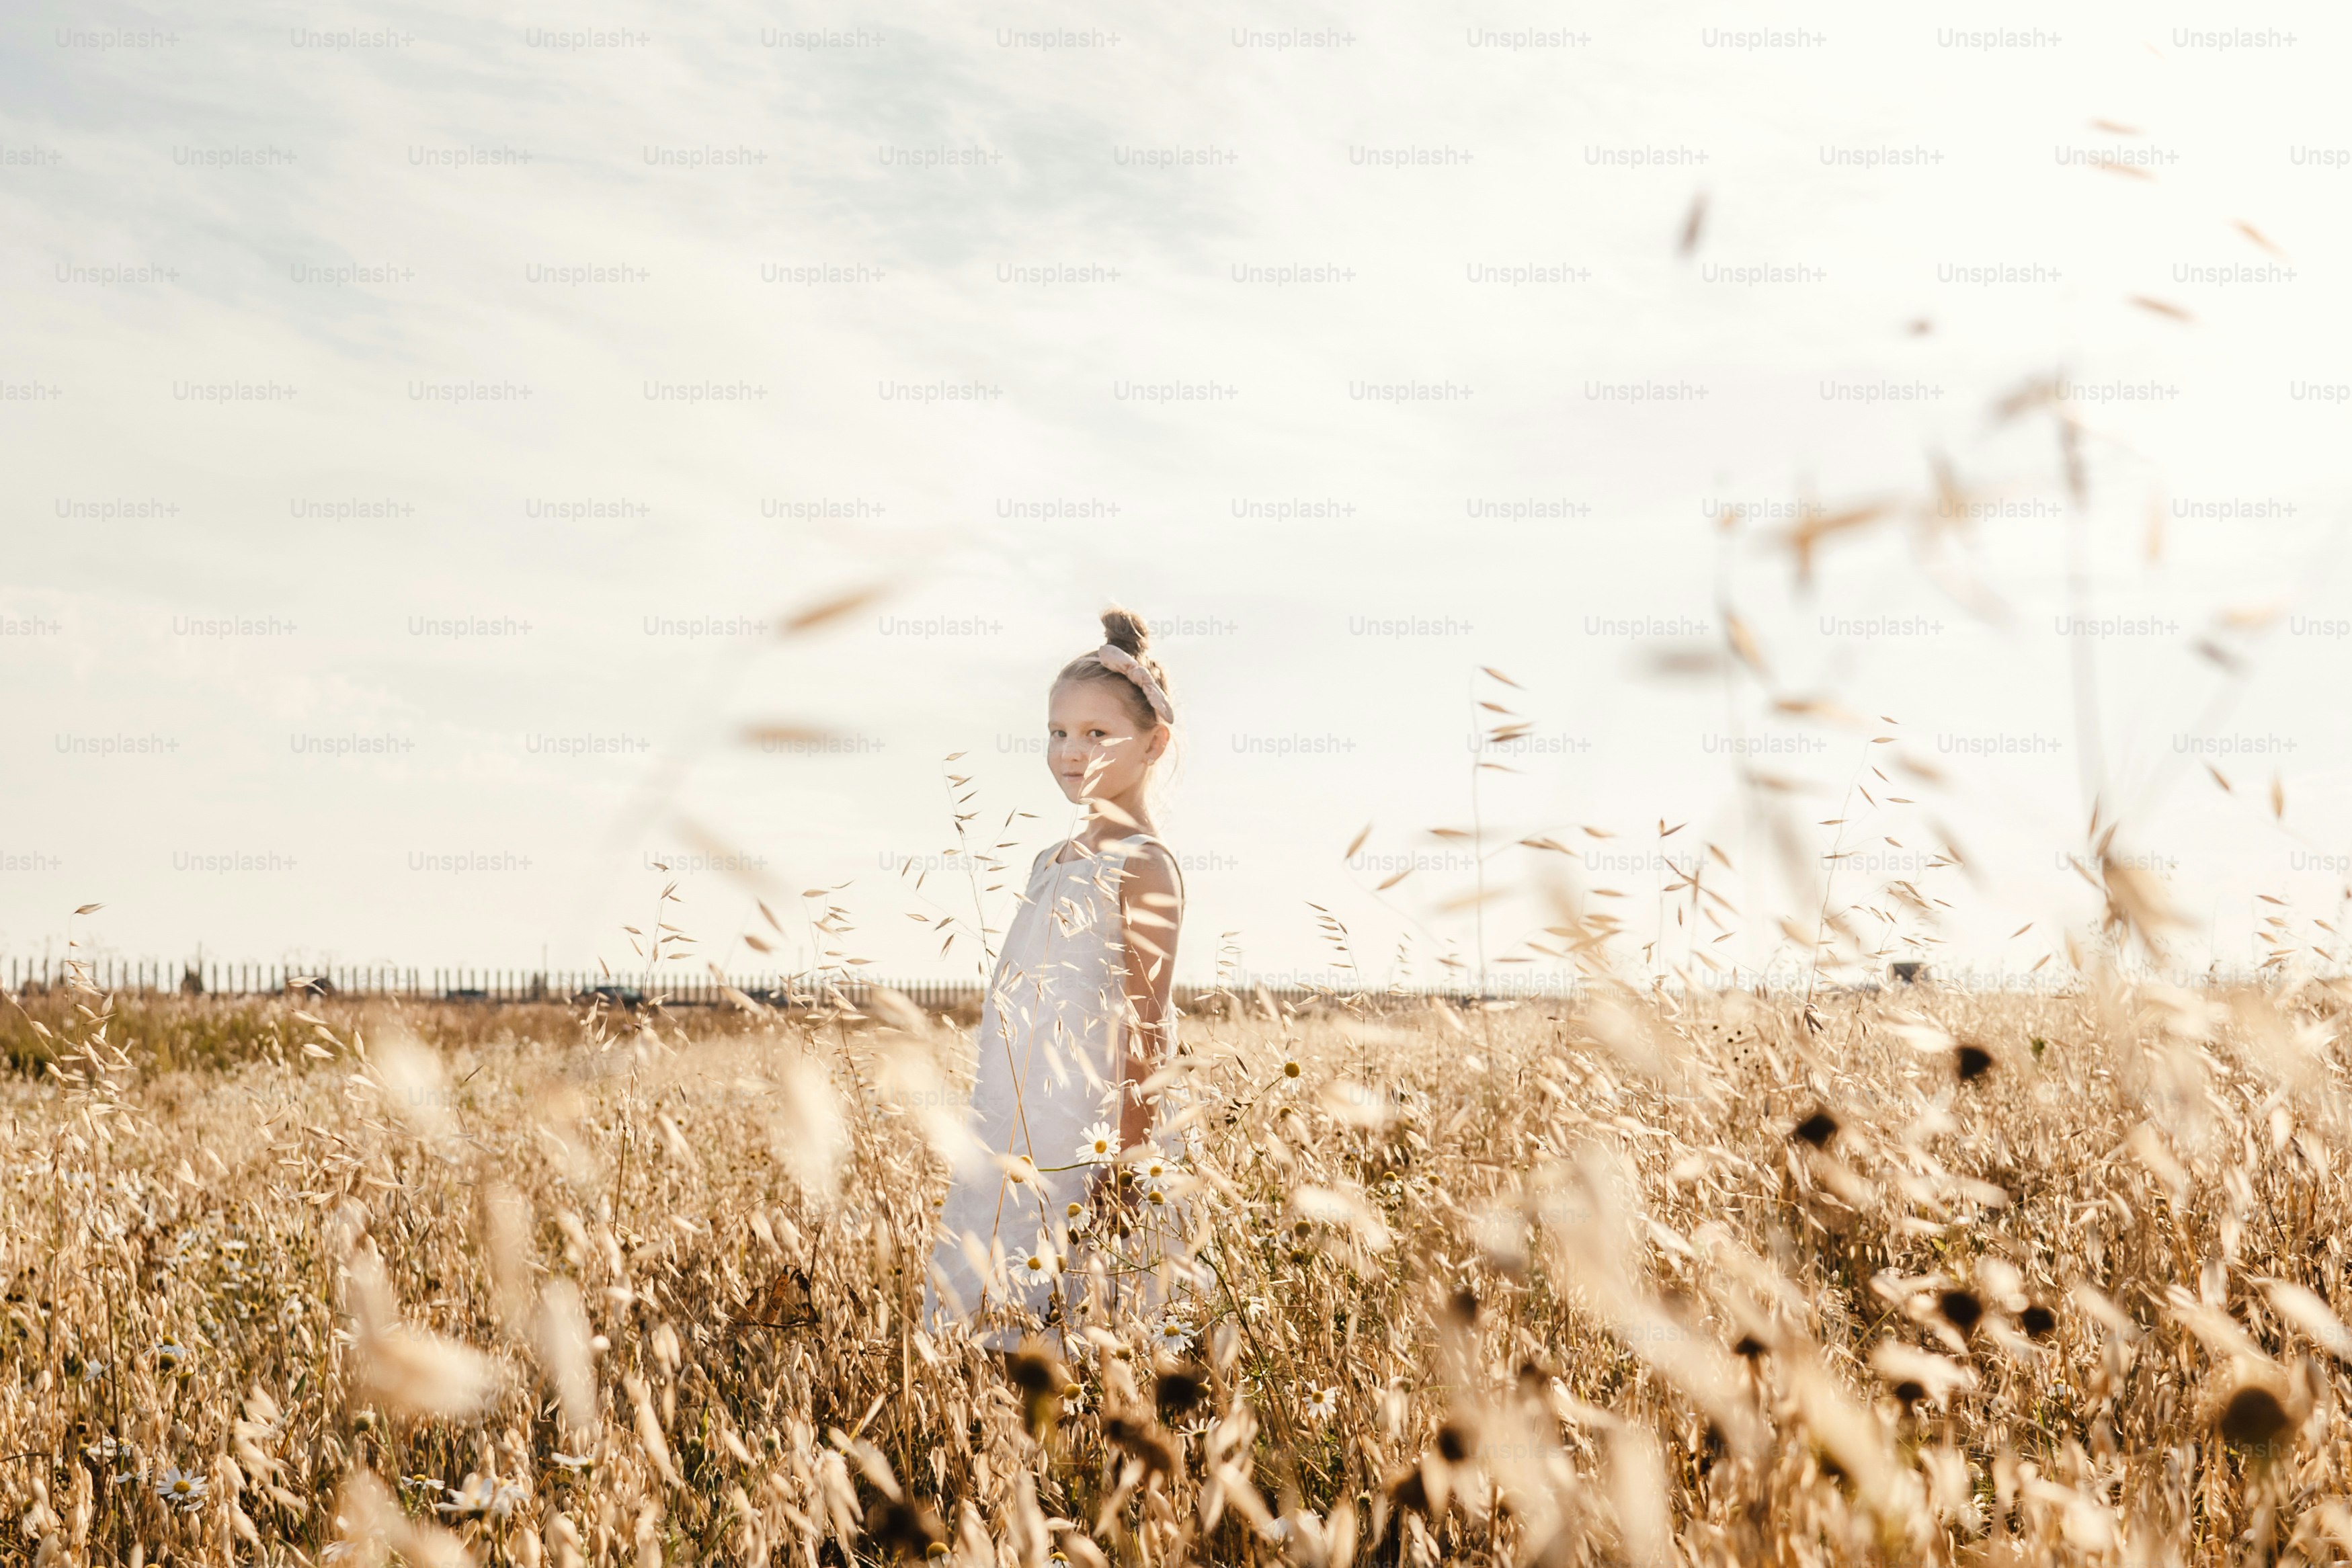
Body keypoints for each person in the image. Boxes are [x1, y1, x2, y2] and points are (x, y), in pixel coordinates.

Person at [926, 608, 1187, 1349]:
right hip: (1017, 1126)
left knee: (1085, 1332)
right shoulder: (1051, 861)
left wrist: (1127, 1167)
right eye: (1058, 732)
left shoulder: (1144, 864)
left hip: (1092, 1140)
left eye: (1097, 734)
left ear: (1153, 743)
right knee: (989, 1326)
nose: (1071, 752)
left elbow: (1149, 1026)